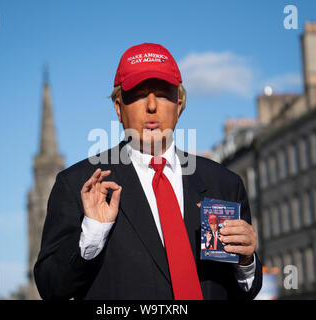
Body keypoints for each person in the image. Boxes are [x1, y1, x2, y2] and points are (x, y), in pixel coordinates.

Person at [34, 43, 262, 300]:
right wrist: (92, 234)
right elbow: (51, 288)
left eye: (163, 94)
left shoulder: (225, 184)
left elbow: (242, 291)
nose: (151, 106)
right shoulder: (78, 184)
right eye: (139, 94)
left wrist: (245, 262)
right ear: (119, 108)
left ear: (179, 104)